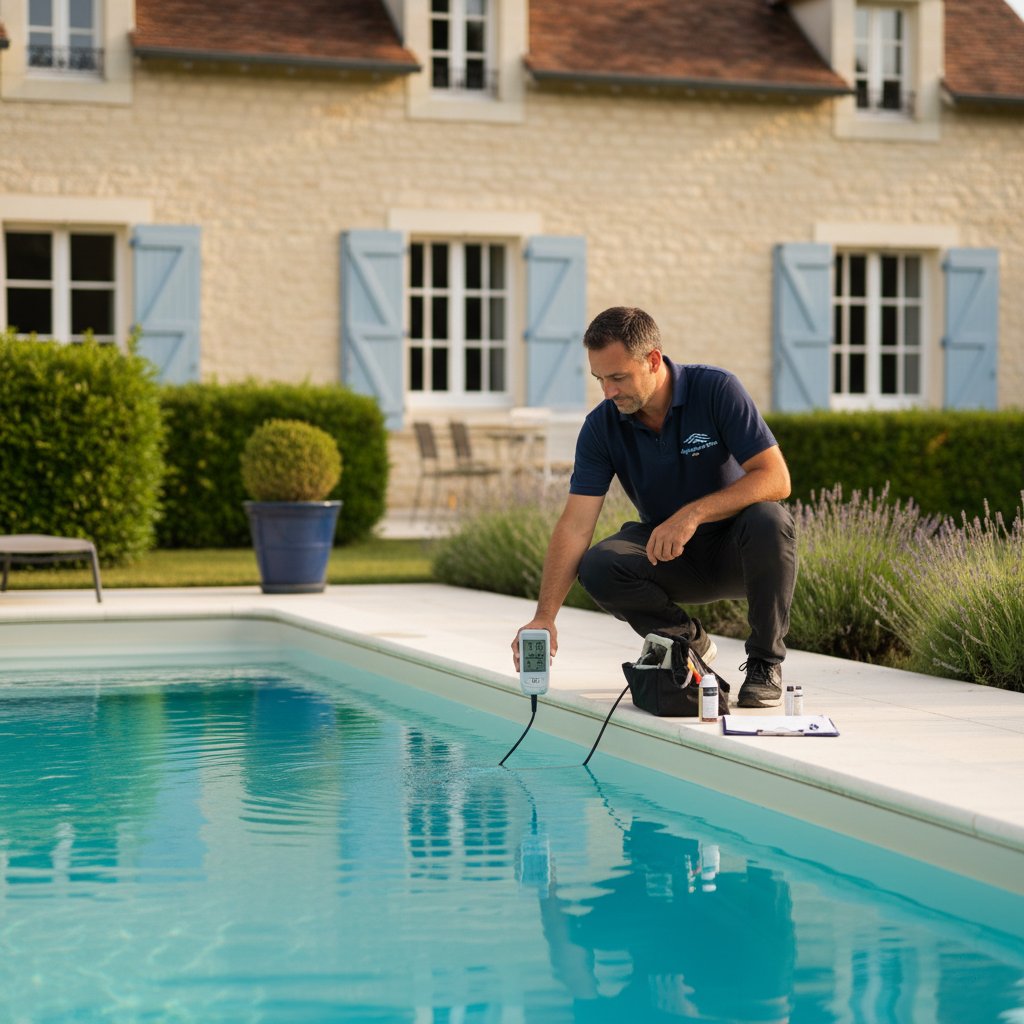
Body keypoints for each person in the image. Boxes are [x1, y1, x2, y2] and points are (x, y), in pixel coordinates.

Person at [512, 306, 797, 708]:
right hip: (671, 557)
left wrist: (691, 515)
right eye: (599, 379)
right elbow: (575, 525)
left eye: (618, 377)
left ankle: (765, 664)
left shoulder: (716, 390)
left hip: (738, 553)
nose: (608, 392)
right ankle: (688, 643)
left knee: (770, 518)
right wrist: (545, 616)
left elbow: (776, 478)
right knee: (598, 564)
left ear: (653, 360)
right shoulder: (601, 427)